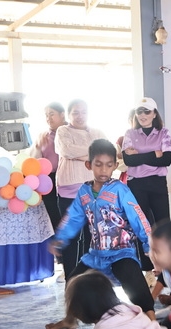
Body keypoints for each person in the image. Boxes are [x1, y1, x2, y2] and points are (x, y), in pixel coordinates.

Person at [46, 139, 153, 329]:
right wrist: (60, 239)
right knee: (73, 282)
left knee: (135, 283)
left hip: (121, 252)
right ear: (89, 165)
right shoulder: (84, 192)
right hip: (96, 255)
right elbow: (73, 217)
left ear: (115, 166)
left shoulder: (120, 189)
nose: (104, 170)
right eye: (98, 164)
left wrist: (149, 243)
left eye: (109, 165)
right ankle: (70, 320)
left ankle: (152, 323)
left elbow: (137, 216)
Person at [55, 99, 107, 281]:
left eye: (83, 112)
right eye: (75, 112)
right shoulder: (63, 131)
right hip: (69, 192)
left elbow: (105, 152)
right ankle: (71, 280)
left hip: (94, 191)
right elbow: (67, 150)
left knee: (92, 236)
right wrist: (93, 153)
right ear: (68, 115)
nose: (80, 116)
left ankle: (88, 279)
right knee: (71, 237)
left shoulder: (98, 132)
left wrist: (82, 154)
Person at [121, 98, 171, 227]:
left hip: (157, 183)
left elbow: (167, 160)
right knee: (140, 225)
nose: (143, 115)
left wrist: (138, 155)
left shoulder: (164, 133)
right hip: (137, 184)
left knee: (163, 225)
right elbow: (129, 160)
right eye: (139, 111)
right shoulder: (130, 134)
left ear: (154, 114)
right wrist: (154, 154)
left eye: (147, 111)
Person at [31, 102, 66, 232]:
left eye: (52, 114)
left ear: (62, 115)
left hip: (68, 179)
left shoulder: (71, 132)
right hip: (49, 180)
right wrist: (37, 147)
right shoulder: (43, 136)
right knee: (55, 217)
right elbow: (34, 159)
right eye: (46, 115)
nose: (48, 118)